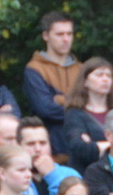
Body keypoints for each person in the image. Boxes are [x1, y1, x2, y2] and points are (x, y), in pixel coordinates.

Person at [22, 12, 80, 156]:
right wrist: (78, 107)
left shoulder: (82, 69)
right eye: (60, 34)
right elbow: (45, 109)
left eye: (69, 34)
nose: (66, 39)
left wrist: (60, 100)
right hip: (51, 148)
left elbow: (93, 106)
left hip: (80, 147)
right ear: (45, 36)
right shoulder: (34, 69)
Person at [63, 57, 113, 170]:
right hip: (86, 175)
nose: (105, 79)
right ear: (85, 81)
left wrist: (95, 145)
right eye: (99, 75)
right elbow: (80, 149)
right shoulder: (74, 113)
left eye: (108, 75)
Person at [16, 117, 80, 195]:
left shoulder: (69, 174)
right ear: (18, 147)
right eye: (31, 144)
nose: (38, 149)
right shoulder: (13, 178)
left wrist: (52, 175)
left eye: (43, 143)